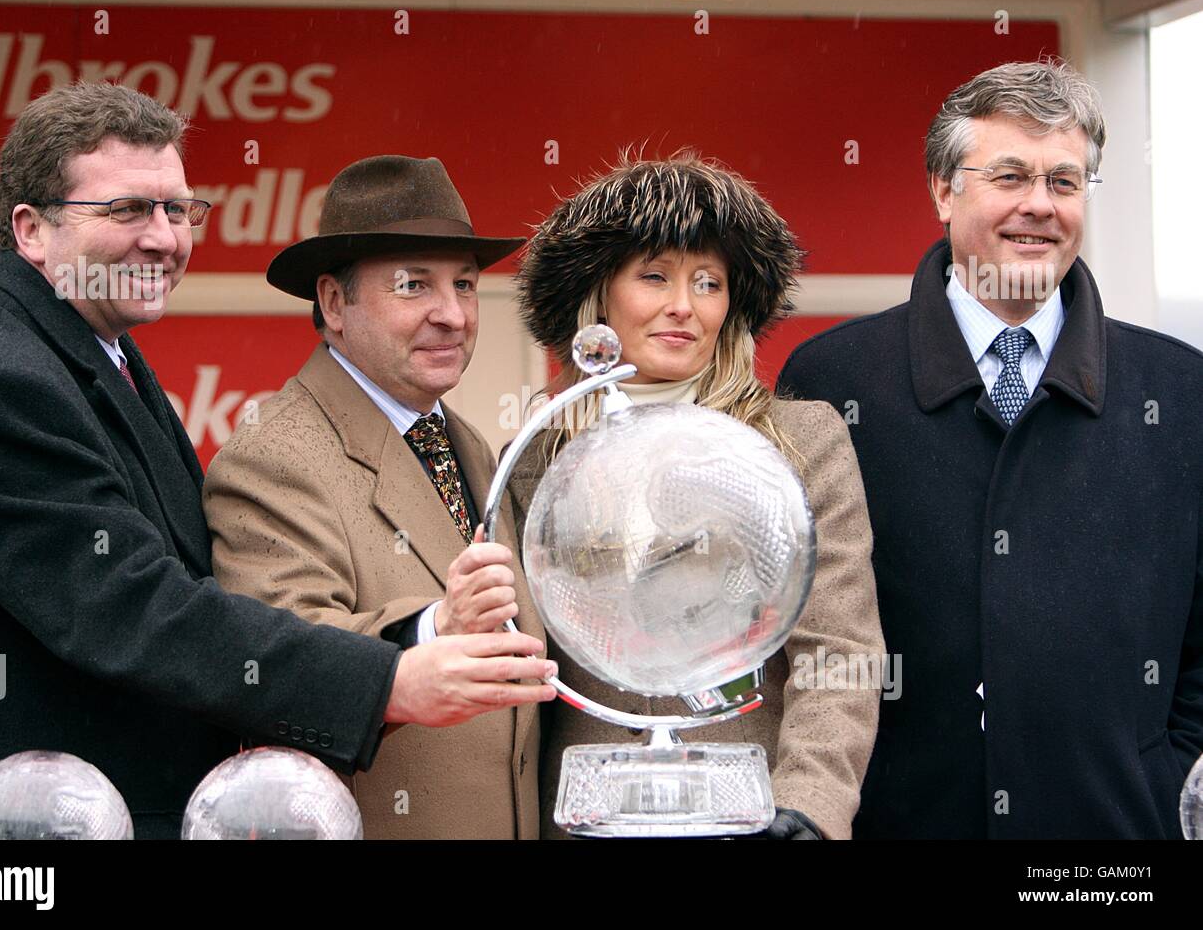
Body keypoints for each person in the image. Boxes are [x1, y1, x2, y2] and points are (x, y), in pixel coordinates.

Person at [0, 84, 555, 840]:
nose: (163, 237)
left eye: (179, 210)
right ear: (31, 229)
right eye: (127, 211)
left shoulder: (82, 344)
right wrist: (393, 677)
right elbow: (138, 611)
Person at [777, 59, 1203, 839]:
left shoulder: (1179, 389)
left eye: (1065, 182)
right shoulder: (831, 380)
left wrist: (1166, 772)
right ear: (944, 189)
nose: (1039, 206)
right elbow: (801, 631)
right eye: (1009, 176)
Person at [507, 153, 886, 839]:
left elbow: (839, 652)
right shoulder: (540, 455)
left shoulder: (804, 441)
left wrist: (809, 803)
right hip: (590, 825)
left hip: (754, 819)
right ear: (600, 295)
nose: (684, 304)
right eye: (655, 276)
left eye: (708, 282)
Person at [203, 155, 550, 839]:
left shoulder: (470, 445)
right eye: (414, 285)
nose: (451, 315)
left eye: (466, 285)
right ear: (334, 303)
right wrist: (431, 628)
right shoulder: (273, 454)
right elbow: (280, 664)